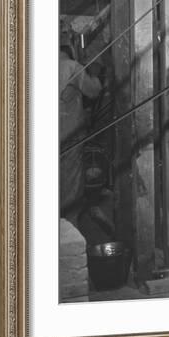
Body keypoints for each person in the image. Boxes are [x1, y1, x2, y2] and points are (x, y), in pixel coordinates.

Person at [59, 30, 102, 225]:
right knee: (71, 181)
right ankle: (69, 225)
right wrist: (95, 73)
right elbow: (93, 91)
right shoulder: (71, 67)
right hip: (70, 133)